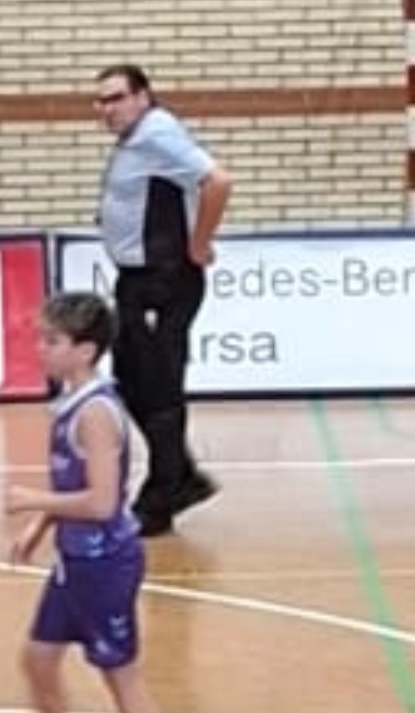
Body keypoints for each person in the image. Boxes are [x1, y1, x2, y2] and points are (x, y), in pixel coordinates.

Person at [0, 293, 197, 713]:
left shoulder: (95, 414)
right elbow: (76, 484)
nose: (41, 349)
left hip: (104, 564)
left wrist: (35, 502)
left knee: (121, 677)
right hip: (77, 560)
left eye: (52, 341)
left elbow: (103, 502)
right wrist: (42, 526)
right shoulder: (72, 402)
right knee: (38, 658)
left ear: (84, 351)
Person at [92, 62, 233, 536]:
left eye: (116, 98)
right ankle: (181, 474)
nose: (106, 109)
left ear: (142, 97)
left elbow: (217, 181)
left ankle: (163, 493)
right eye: (101, 101)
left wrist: (199, 243)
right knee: (130, 378)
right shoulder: (136, 139)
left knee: (158, 385)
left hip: (164, 279)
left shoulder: (157, 134)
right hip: (136, 279)